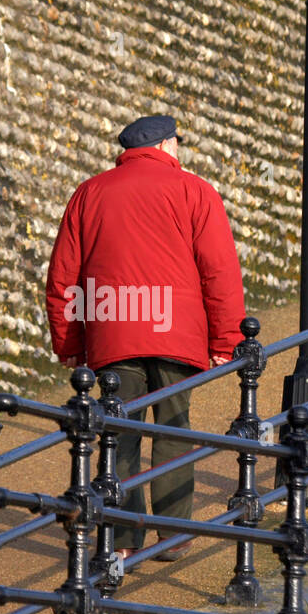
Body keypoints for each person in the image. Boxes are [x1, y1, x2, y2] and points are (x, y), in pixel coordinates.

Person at [45, 113, 246, 561]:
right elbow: (219, 271)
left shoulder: (89, 193)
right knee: (174, 427)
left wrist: (70, 342)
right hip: (176, 333)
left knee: (119, 431)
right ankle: (172, 533)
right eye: (178, 141)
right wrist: (225, 340)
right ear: (165, 145)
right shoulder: (195, 191)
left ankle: (120, 538)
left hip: (113, 329)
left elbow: (64, 275)